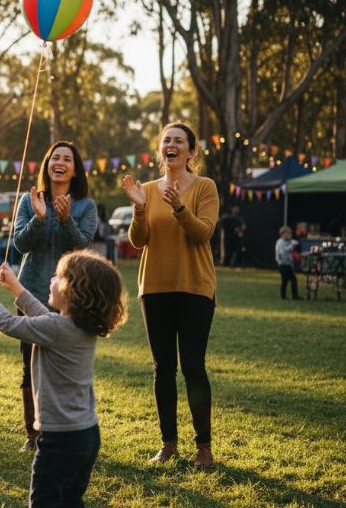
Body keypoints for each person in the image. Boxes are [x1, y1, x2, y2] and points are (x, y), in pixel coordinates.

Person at [0, 251, 126, 508]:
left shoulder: (56, 328)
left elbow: (6, 323)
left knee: (45, 502)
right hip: (86, 435)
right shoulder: (80, 326)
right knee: (70, 500)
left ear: (75, 291)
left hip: (60, 439)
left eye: (59, 276)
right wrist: (16, 288)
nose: (51, 279)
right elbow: (42, 316)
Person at [122, 122, 219, 469]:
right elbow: (138, 240)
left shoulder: (204, 187)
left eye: (179, 141)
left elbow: (202, 234)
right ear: (161, 150)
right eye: (167, 140)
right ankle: (168, 444)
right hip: (155, 288)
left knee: (193, 365)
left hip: (195, 287)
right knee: (163, 368)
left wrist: (179, 207)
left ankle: (203, 447)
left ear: (191, 152)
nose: (172, 145)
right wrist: (139, 208)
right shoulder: (146, 189)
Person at [10, 141, 98, 453]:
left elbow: (83, 248)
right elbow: (19, 245)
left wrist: (64, 219)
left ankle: (63, 430)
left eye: (66, 159)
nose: (59, 163)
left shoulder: (86, 206)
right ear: (48, 165)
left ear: (75, 170)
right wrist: (39, 216)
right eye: (55, 158)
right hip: (31, 289)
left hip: (69, 298)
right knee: (30, 365)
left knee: (63, 366)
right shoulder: (29, 199)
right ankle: (33, 436)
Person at [275, 225, 300, 300]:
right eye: (288, 234)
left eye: (291, 234)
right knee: (289, 280)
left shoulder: (288, 241)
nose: (290, 236)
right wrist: (291, 246)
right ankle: (287, 296)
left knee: (289, 281)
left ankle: (288, 296)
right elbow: (283, 252)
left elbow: (295, 242)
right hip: (283, 264)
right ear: (283, 234)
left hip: (288, 265)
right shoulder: (280, 242)